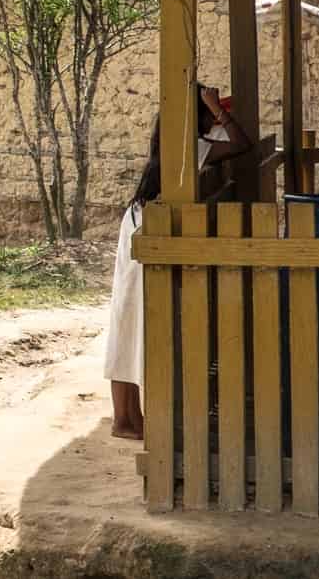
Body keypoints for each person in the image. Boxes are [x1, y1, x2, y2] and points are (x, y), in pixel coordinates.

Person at [106, 84, 251, 441]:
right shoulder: (190, 147)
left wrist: (209, 108)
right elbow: (240, 142)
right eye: (205, 114)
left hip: (140, 223)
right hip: (147, 228)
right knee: (131, 318)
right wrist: (217, 109)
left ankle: (127, 417)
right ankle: (125, 418)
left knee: (128, 318)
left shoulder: (179, 144)